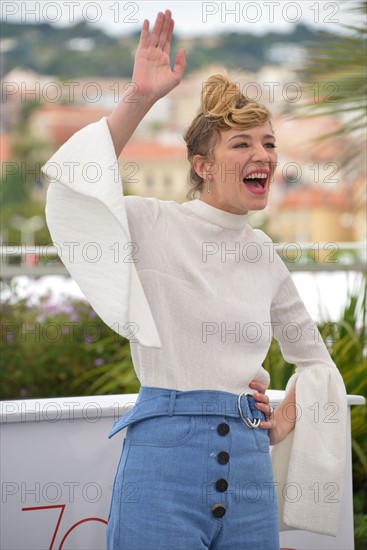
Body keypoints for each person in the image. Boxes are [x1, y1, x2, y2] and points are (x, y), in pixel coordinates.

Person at [42, 9, 347, 550]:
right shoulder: (152, 223)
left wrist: (279, 425)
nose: (263, 155)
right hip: (162, 465)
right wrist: (139, 97)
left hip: (251, 475)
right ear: (202, 165)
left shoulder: (264, 254)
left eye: (269, 143)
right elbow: (75, 190)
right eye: (242, 144)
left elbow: (316, 362)